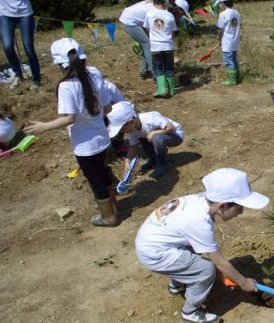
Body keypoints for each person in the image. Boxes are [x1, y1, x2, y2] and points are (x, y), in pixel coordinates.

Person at [135, 168, 269, 323]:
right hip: (155, 253)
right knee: (206, 270)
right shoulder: (200, 223)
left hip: (155, 241)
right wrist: (244, 282)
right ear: (223, 206)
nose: (240, 213)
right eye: (239, 208)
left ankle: (177, 285)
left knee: (193, 253)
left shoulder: (198, 201)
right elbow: (219, 263)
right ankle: (190, 312)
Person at [24, 38, 119, 227]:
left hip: (85, 145)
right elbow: (107, 107)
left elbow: (70, 118)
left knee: (95, 180)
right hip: (102, 136)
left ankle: (109, 217)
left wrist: (44, 126)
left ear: (60, 64)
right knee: (103, 172)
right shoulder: (95, 73)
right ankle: (114, 206)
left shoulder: (66, 86)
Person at [107, 101, 184, 179]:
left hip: (176, 136)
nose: (122, 132)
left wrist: (155, 132)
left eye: (122, 130)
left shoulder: (150, 119)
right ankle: (153, 159)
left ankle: (162, 164)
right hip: (160, 135)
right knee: (142, 138)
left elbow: (172, 128)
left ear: (130, 122)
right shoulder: (133, 129)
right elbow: (132, 147)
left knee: (156, 138)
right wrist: (128, 161)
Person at [0, 0, 40, 90]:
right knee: (7, 47)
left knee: (28, 47)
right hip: (4, 14)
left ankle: (36, 79)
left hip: (25, 13)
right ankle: (18, 75)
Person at [144, 0, 178, 98]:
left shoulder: (149, 14)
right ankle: (172, 90)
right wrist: (172, 44)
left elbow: (147, 28)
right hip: (168, 46)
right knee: (169, 68)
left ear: (154, 3)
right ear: (165, 3)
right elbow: (173, 32)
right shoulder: (170, 15)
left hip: (155, 46)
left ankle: (162, 89)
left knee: (158, 67)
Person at [119, 0, 155, 80]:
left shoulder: (156, 4)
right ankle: (156, 73)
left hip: (133, 18)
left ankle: (144, 72)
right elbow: (151, 28)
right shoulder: (155, 9)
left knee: (145, 45)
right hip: (129, 21)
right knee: (147, 44)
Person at [216, 0, 241, 86]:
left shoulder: (223, 14)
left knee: (228, 61)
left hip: (227, 42)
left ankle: (232, 80)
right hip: (235, 40)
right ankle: (238, 77)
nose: (219, 6)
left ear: (223, 3)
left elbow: (220, 29)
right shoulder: (237, 13)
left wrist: (220, 40)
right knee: (234, 59)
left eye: (219, 4)